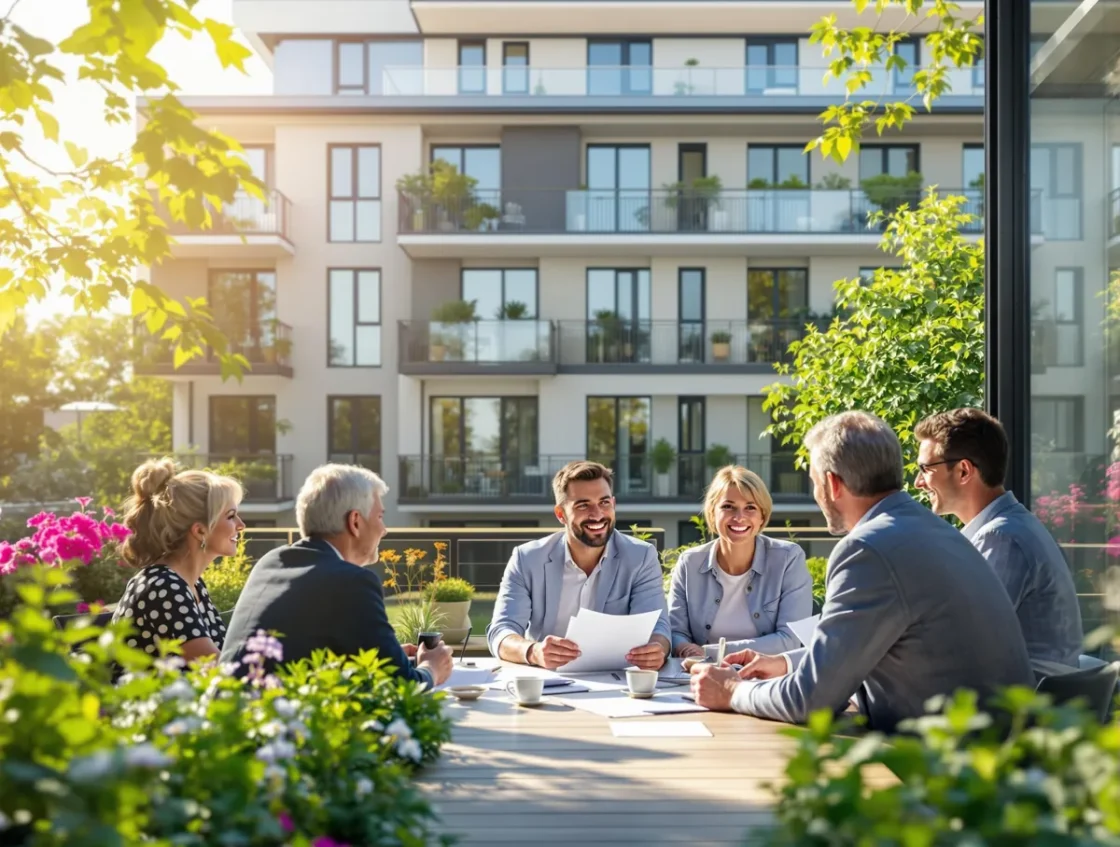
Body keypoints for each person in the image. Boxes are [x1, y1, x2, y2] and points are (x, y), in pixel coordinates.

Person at [690, 411, 1034, 732]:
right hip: (991, 754)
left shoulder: (867, 549)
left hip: (941, 771)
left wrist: (732, 690)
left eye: (813, 482)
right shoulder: (929, 530)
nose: (815, 494)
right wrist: (785, 663)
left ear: (833, 484)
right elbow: (856, 652)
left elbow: (810, 701)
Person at [221, 464, 452, 688]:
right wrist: (432, 669)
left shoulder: (271, 561)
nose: (384, 529)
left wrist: (385, 654)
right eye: (380, 517)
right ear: (355, 522)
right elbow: (402, 685)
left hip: (227, 717)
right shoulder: (352, 581)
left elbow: (300, 651)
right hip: (280, 723)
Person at [914, 408, 1083, 674]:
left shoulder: (1002, 538)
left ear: (963, 471)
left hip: (1015, 707)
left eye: (925, 469)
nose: (918, 482)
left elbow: (961, 640)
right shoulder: (1012, 526)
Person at [487, 460, 671, 670]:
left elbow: (658, 627)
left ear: (613, 504)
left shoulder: (641, 557)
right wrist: (534, 652)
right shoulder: (527, 559)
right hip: (547, 681)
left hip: (616, 681)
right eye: (583, 505)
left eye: (604, 503)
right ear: (560, 514)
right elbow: (501, 632)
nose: (597, 514)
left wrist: (658, 649)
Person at [669, 465, 812, 659]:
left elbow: (790, 640)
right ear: (712, 512)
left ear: (762, 516)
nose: (739, 517)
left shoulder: (789, 559)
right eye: (728, 507)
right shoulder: (689, 563)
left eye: (750, 508)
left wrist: (709, 652)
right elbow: (676, 632)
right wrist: (685, 648)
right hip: (701, 674)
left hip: (767, 678)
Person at [113, 458, 244, 663]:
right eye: (231, 516)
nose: (241, 525)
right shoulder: (164, 586)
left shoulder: (192, 584)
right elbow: (215, 669)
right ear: (200, 530)